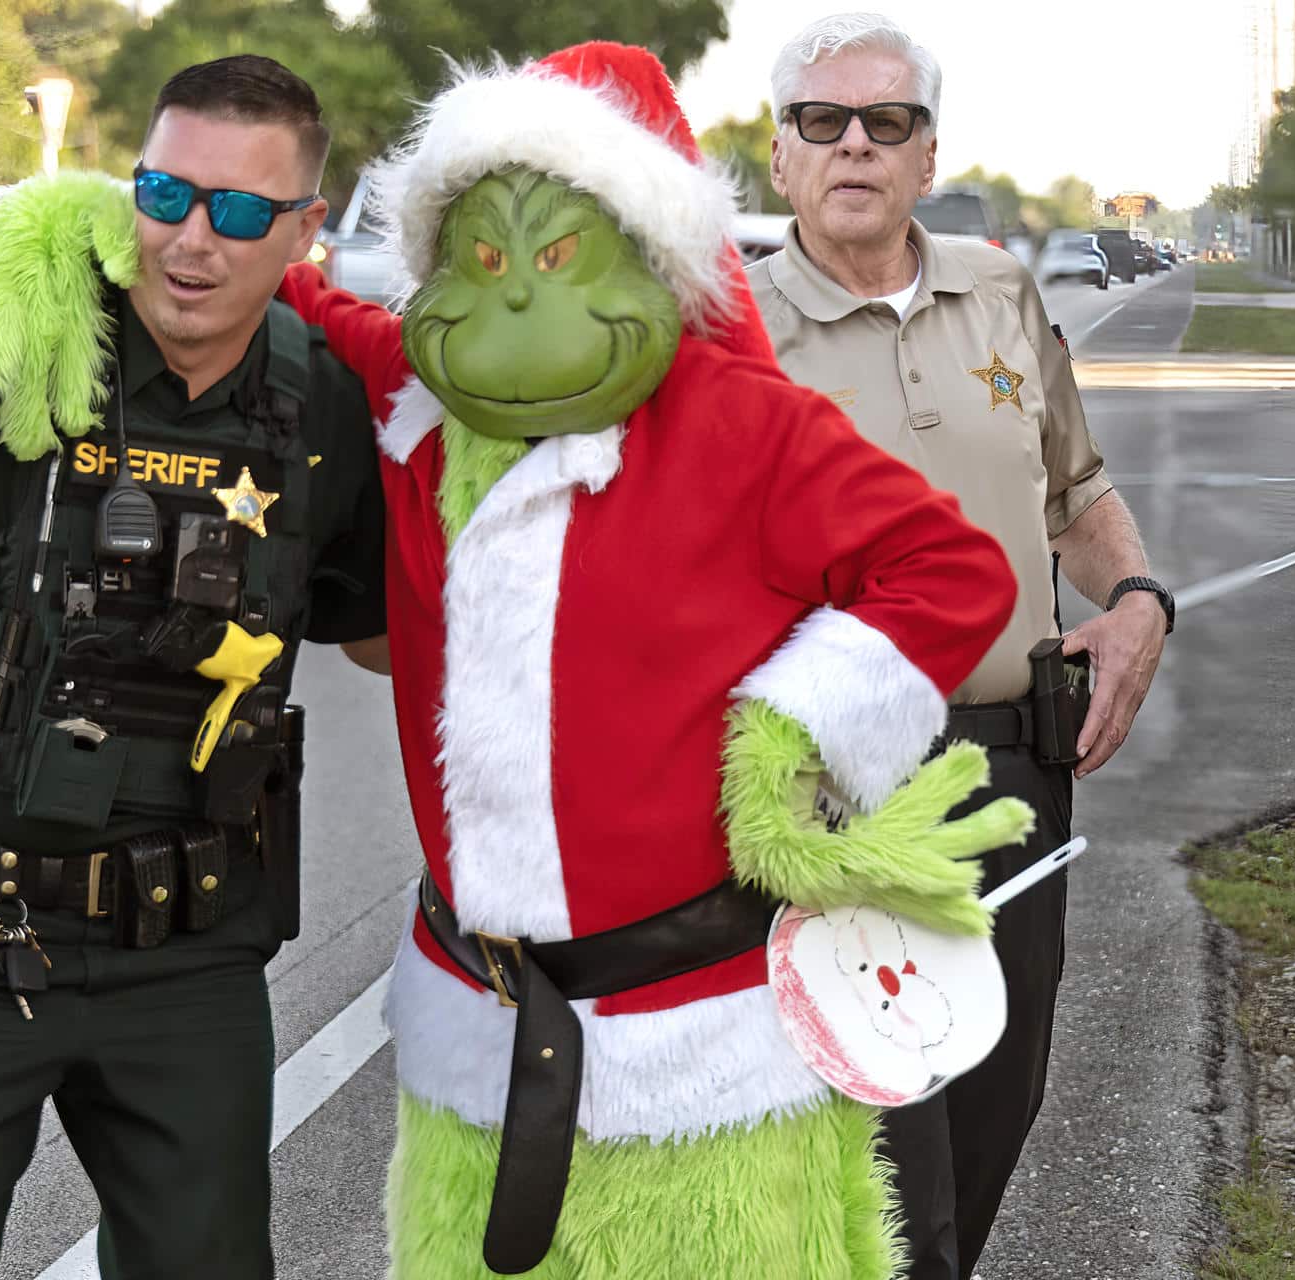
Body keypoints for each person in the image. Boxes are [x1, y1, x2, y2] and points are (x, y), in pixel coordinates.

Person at [275, 41, 1035, 1280]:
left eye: (559, 256)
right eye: (482, 259)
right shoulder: (423, 394)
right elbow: (297, 298)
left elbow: (952, 571)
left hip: (698, 1049)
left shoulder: (737, 420)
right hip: (475, 1033)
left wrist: (790, 732)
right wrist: (107, 231)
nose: (514, 305)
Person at [0, 55, 387, 1280]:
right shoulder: (34, 320)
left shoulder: (320, 403)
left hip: (188, 946)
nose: (191, 238)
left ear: (304, 229)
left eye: (239, 210)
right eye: (164, 194)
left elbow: (377, 632)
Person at [749, 13, 1173, 1279]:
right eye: (822, 120)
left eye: (888, 120)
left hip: (1015, 773)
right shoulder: (731, 335)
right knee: (891, 1181)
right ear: (780, 154)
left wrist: (1138, 595)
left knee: (995, 1107)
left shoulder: (999, 292)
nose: (855, 144)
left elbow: (1074, 491)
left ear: (928, 154)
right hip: (839, 795)